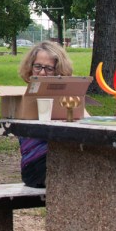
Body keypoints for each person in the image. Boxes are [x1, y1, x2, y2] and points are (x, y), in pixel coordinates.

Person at [16, 41, 73, 188]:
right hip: (37, 168)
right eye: (38, 67)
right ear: (30, 68)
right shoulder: (22, 100)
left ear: (58, 71)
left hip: (67, 163)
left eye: (49, 68)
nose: (42, 73)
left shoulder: (69, 99)